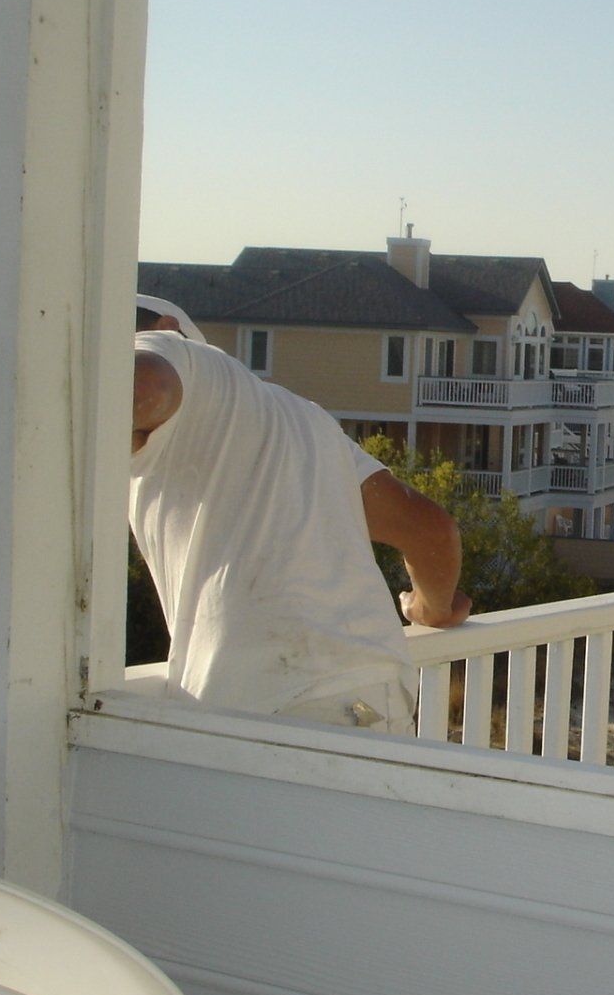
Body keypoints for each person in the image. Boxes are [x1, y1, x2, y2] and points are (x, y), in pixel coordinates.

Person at [130, 296, 469, 730]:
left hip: (266, 700)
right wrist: (432, 609)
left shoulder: (175, 350)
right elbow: (429, 529)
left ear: (168, 328)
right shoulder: (301, 417)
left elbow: (145, 389)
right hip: (373, 689)